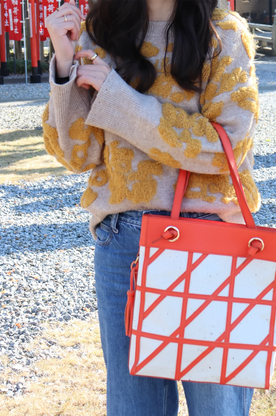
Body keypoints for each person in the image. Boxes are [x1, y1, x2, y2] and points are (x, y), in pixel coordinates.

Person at [43, 0, 261, 414]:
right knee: (133, 408)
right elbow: (78, 153)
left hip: (210, 241)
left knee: (218, 406)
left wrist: (119, 99)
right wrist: (64, 61)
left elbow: (224, 146)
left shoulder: (223, 33)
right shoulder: (100, 33)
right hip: (123, 242)